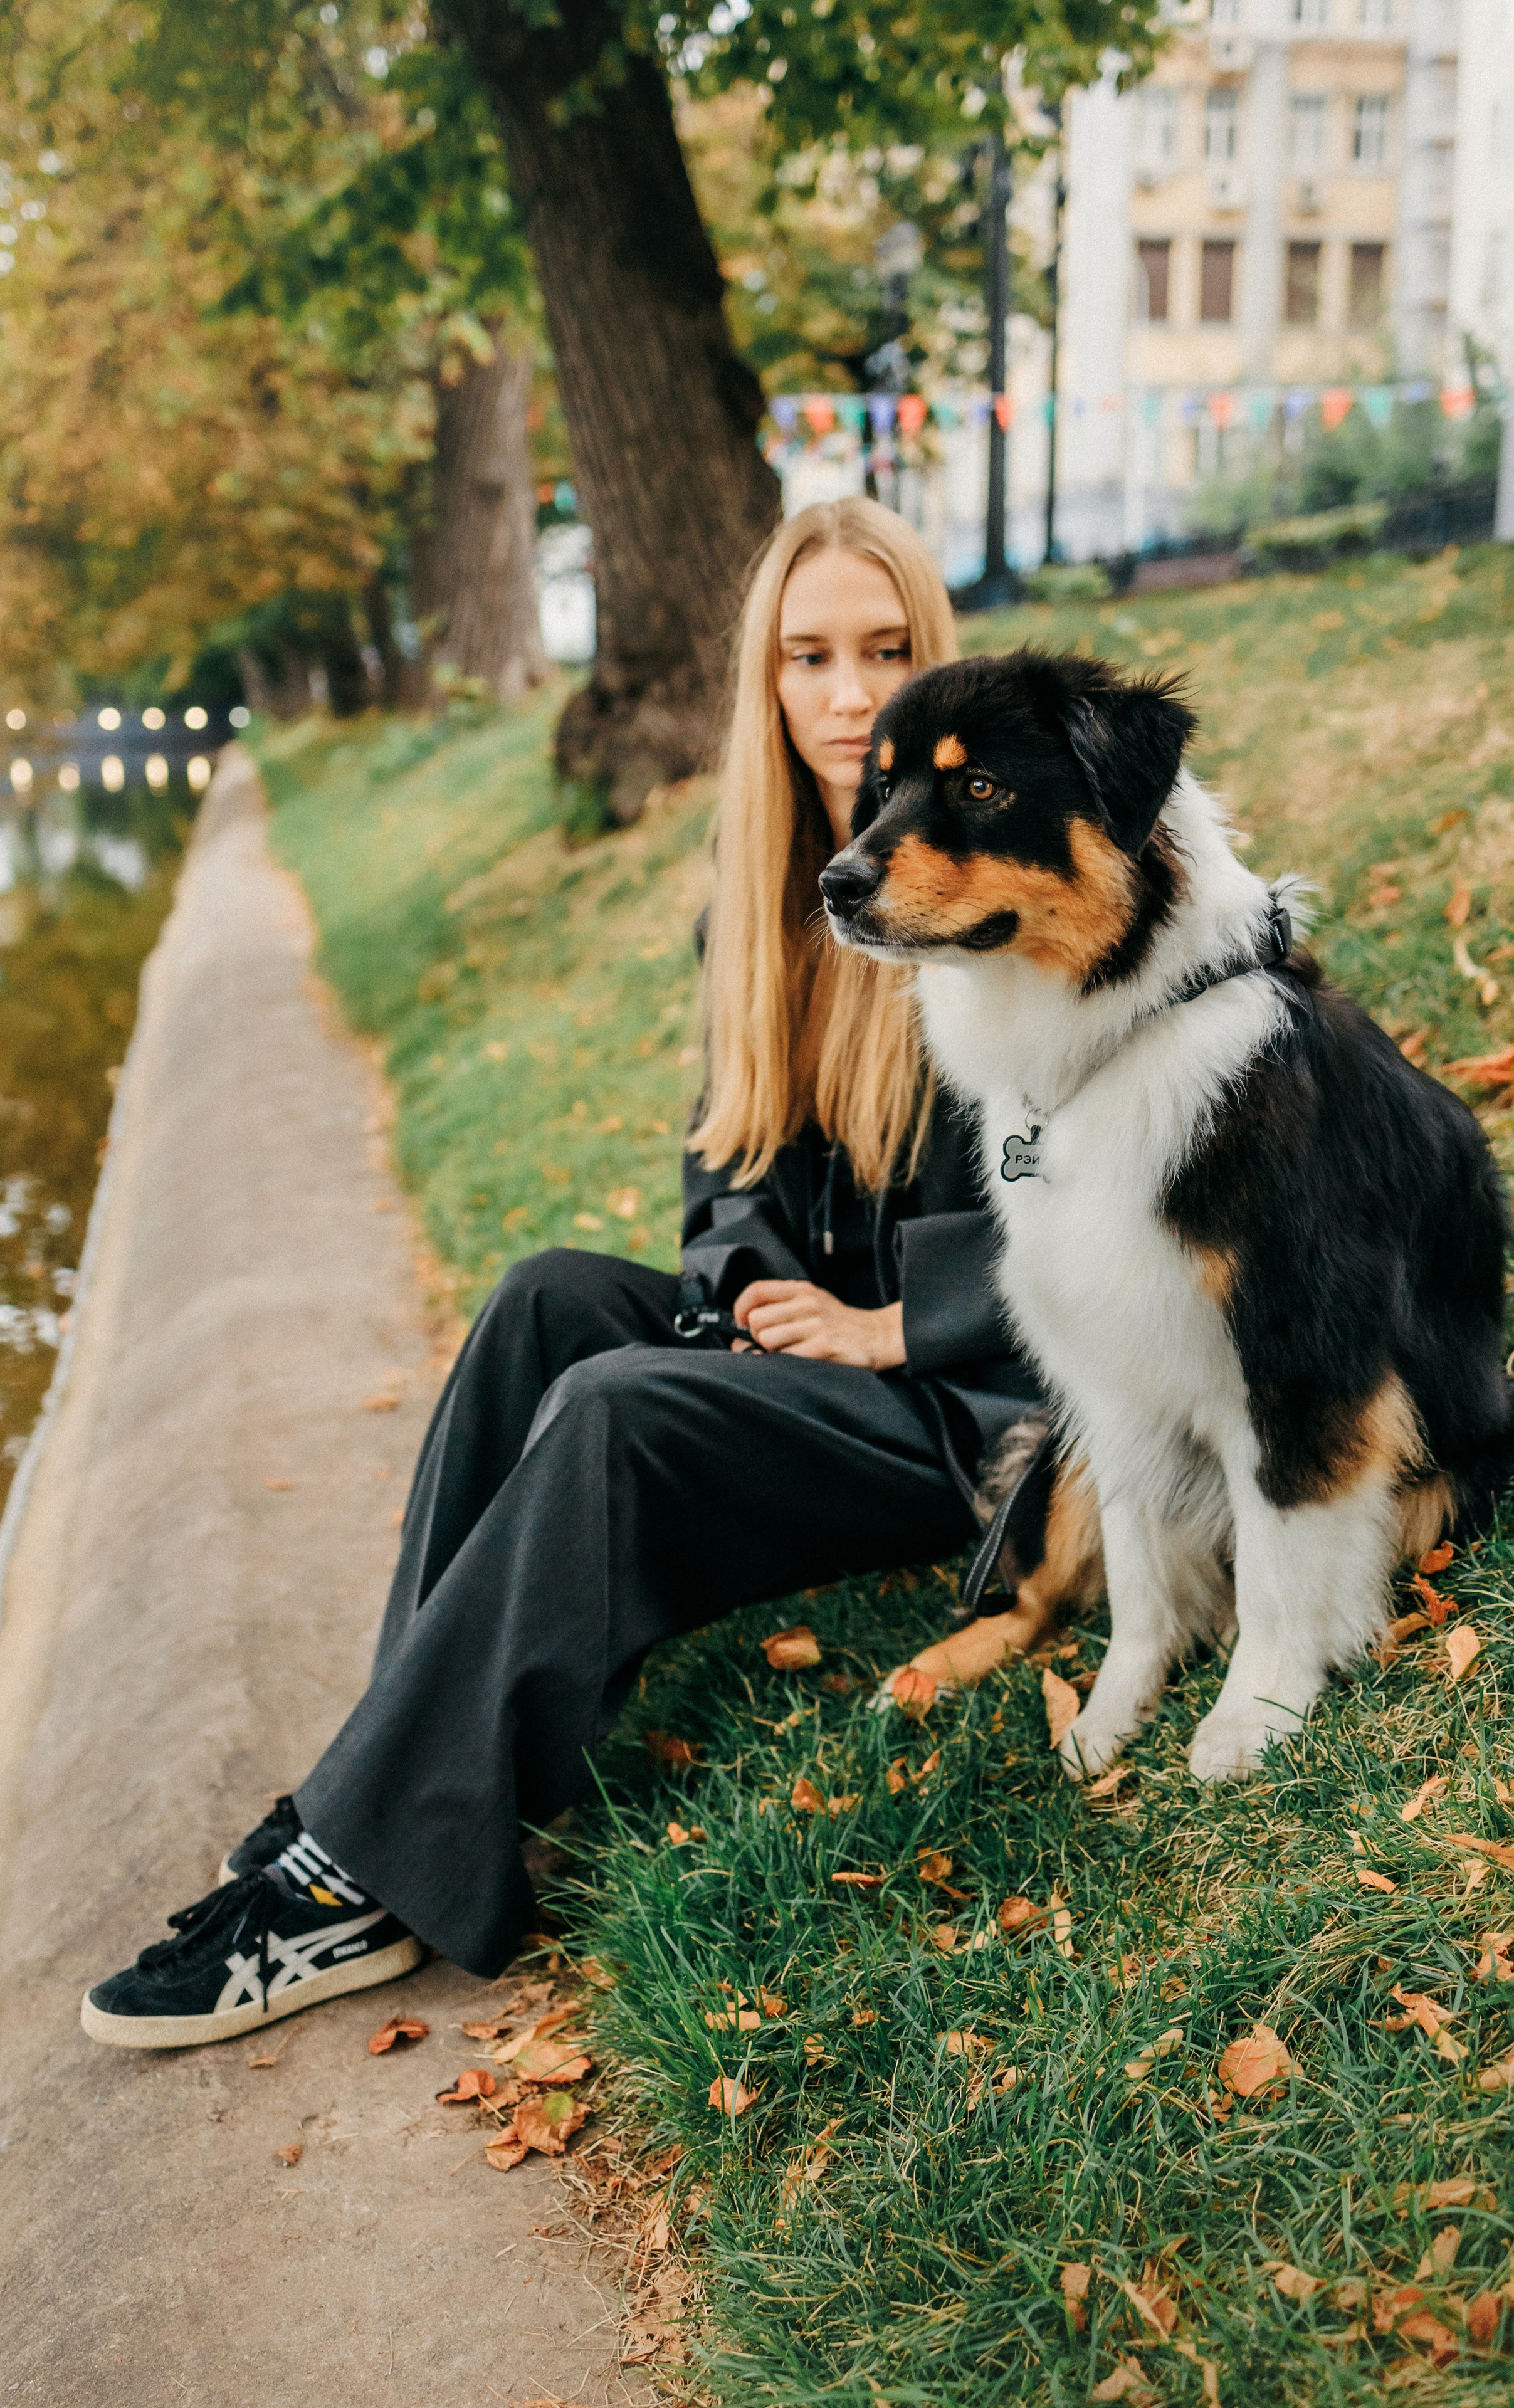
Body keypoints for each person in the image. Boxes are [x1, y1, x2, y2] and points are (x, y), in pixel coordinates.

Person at [81, 498, 1046, 2051]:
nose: (848, 694)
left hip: (974, 1415)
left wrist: (886, 1322)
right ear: (766, 682)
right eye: (809, 657)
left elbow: (1103, 1211)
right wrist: (739, 1298)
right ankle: (381, 1805)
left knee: (611, 1411)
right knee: (546, 1296)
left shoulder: (995, 884)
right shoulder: (765, 894)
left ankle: (347, 1868)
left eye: (883, 651)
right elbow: (724, 1163)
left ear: (935, 663)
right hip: (828, 1363)